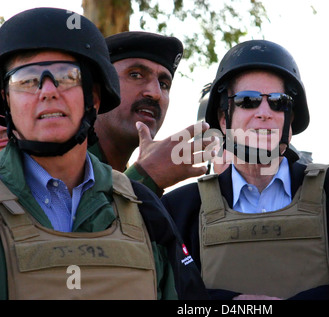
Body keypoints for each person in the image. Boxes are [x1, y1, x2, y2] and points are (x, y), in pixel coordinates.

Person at [162, 39, 329, 300]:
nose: (265, 112)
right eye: (248, 101)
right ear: (223, 117)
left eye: (279, 102)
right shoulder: (182, 208)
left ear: (291, 118)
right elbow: (168, 290)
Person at [0, 7, 208, 300]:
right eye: (27, 80)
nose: (47, 91)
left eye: (67, 77)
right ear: (6, 101)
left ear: (94, 97)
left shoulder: (145, 209)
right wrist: (146, 176)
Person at [89, 31, 215, 197]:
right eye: (135, 75)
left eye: (163, 84)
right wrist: (147, 175)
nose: (155, 93)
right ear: (97, 89)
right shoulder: (56, 165)